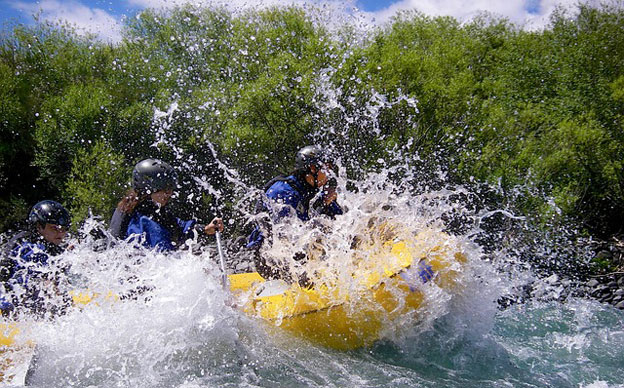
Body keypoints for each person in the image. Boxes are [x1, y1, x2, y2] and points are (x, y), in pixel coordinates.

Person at [247, 145, 343, 280]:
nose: (329, 174)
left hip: (295, 254)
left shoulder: (312, 191)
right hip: (269, 260)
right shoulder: (283, 192)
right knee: (316, 230)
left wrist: (327, 204)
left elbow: (342, 221)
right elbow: (287, 236)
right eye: (326, 168)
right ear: (312, 169)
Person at [110, 158, 224, 251]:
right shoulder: (140, 220)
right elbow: (160, 252)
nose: (169, 193)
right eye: (164, 189)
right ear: (148, 189)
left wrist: (205, 228)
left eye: (170, 189)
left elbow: (179, 227)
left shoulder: (153, 210)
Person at [0, 200, 72, 317]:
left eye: (63, 228)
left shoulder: (48, 244)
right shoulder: (29, 248)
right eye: (54, 228)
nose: (60, 233)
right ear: (39, 227)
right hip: (10, 309)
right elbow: (47, 283)